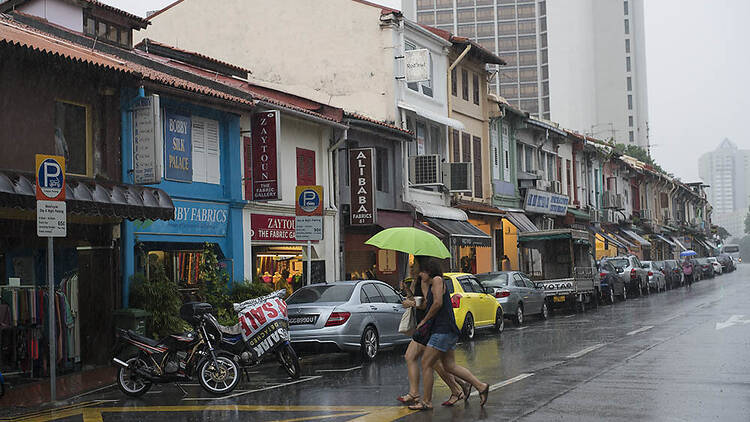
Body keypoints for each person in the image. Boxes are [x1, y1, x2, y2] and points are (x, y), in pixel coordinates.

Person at [409, 256, 489, 411]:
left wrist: (425, 320)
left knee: (426, 363)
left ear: (429, 271)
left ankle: (426, 401)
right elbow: (428, 302)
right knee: (449, 365)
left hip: (442, 330)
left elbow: (438, 303)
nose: (420, 275)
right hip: (445, 330)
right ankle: (481, 386)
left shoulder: (438, 280)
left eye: (422, 272)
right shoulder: (432, 284)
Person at [398, 260, 466, 408]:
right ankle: (458, 386)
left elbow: (426, 303)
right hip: (425, 324)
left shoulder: (428, 281)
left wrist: (412, 304)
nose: (411, 269)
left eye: (413, 267)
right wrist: (407, 290)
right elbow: (415, 299)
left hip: (428, 325)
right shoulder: (417, 281)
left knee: (431, 362)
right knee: (435, 362)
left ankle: (454, 388)